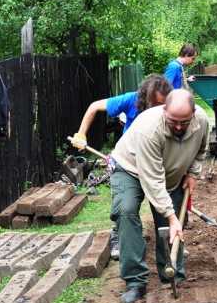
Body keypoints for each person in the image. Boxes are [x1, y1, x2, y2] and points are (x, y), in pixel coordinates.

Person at [108, 89, 208, 303]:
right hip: (130, 169)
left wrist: (193, 173)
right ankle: (135, 282)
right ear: (164, 110)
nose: (179, 127)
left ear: (193, 113)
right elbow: (153, 181)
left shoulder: (201, 120)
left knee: (172, 224)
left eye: (184, 121)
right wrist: (172, 216)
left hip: (171, 173)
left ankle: (173, 273)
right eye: (174, 121)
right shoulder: (149, 130)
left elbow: (202, 149)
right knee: (126, 211)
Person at [70, 74, 173, 259]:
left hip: (157, 160)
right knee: (125, 207)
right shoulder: (130, 99)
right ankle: (119, 235)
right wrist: (81, 134)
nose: (159, 110)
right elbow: (94, 106)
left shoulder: (170, 108)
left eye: (162, 105)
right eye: (155, 104)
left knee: (163, 205)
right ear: (144, 98)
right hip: (129, 161)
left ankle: (170, 243)